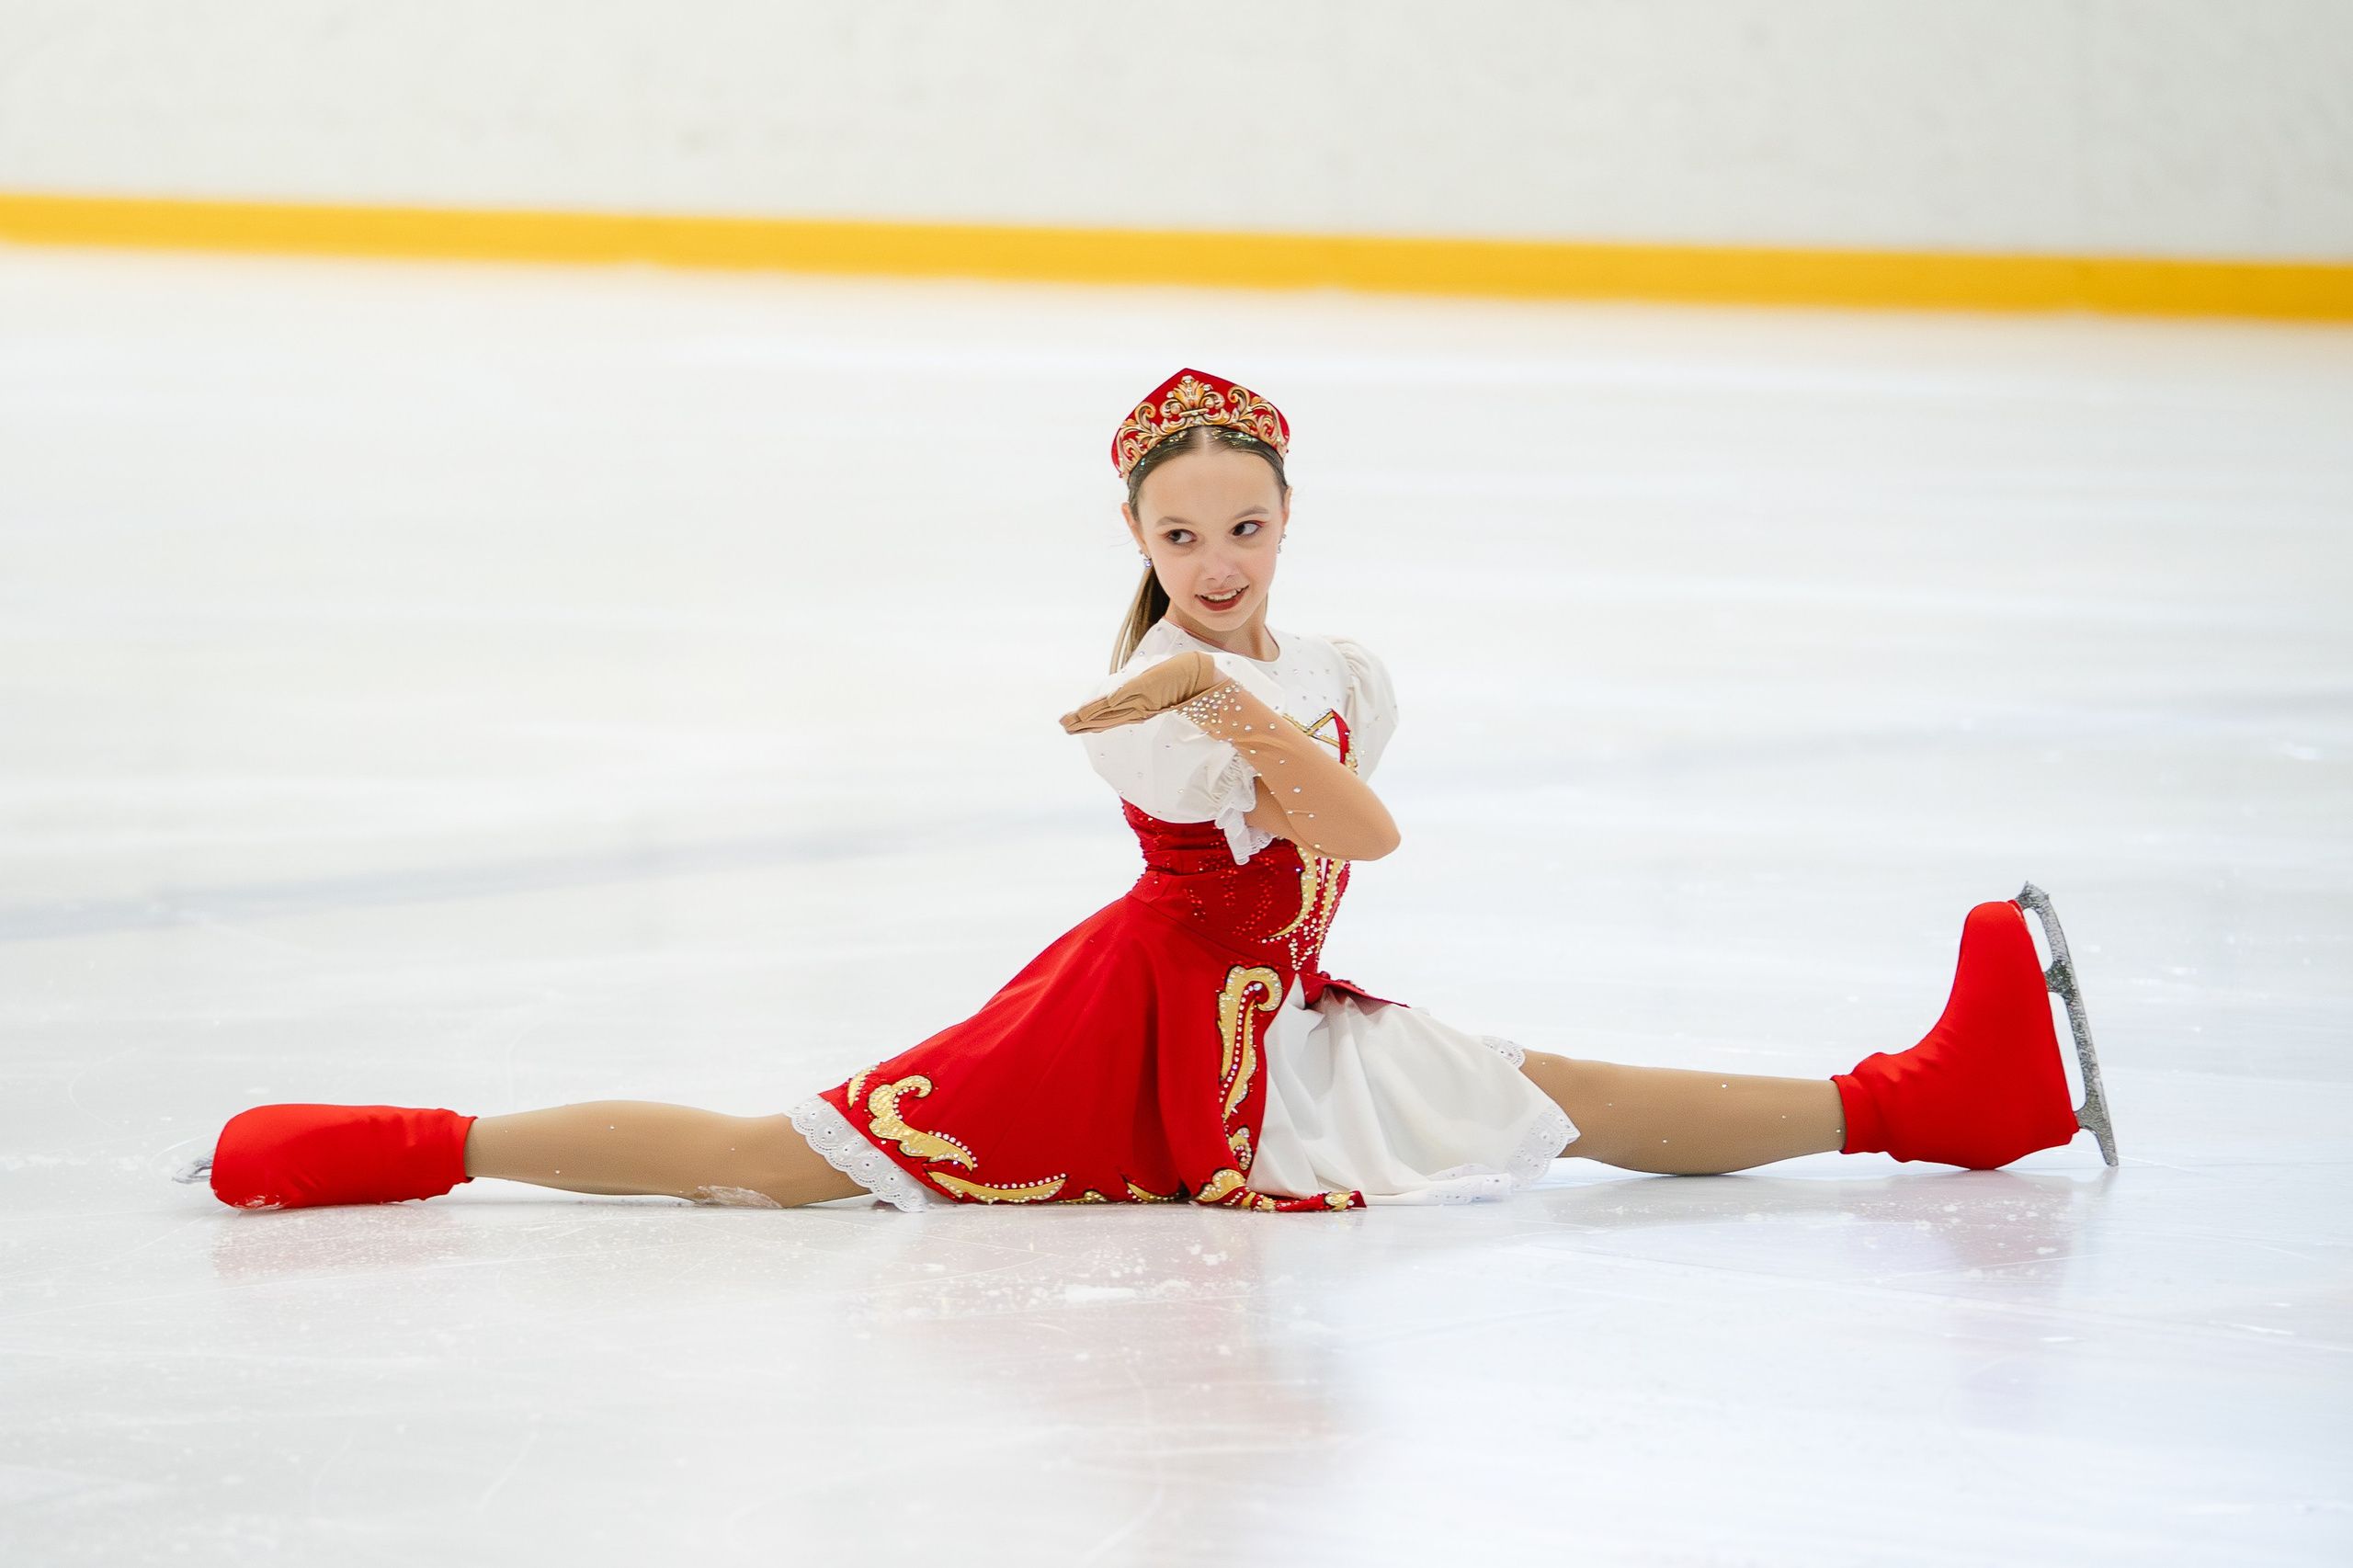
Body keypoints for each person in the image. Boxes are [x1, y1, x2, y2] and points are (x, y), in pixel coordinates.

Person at [185, 369, 2115, 1216]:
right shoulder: (1143, 704)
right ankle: (421, 1142)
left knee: (1567, 1096)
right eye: (1178, 530)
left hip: (1275, 1013)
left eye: (1242, 526)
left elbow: (1355, 830)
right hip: (1148, 1027)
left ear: (1285, 521)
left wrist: (1263, 706)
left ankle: (1930, 1102)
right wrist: (1220, 709)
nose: (1213, 556)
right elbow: (1337, 833)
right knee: (767, 1159)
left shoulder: (1329, 668)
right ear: (1135, 527)